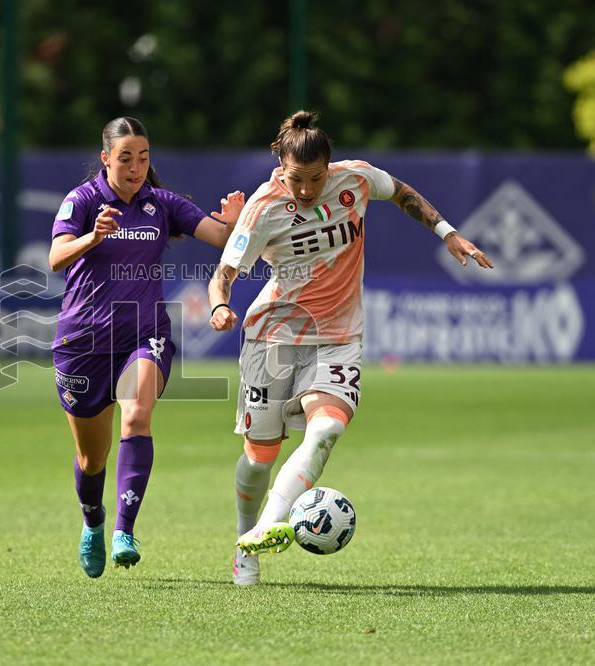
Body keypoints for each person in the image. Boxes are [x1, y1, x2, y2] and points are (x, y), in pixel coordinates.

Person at [207, 110, 493, 586]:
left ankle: (267, 528)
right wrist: (219, 305)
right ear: (280, 167)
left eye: (316, 178)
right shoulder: (263, 206)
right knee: (259, 457)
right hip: (274, 336)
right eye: (296, 179)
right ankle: (245, 535)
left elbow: (400, 192)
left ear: (329, 166)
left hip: (338, 337)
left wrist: (448, 233)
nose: (306, 189)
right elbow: (224, 273)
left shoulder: (355, 179)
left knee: (326, 430)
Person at [49, 116, 245, 578]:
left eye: (143, 157)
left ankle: (124, 530)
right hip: (84, 342)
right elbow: (56, 257)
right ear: (105, 159)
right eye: (125, 159)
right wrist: (93, 237)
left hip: (144, 333)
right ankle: (93, 521)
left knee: (137, 414)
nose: (136, 167)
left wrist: (235, 224)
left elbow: (220, 237)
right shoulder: (82, 201)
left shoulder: (162, 203)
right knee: (91, 460)